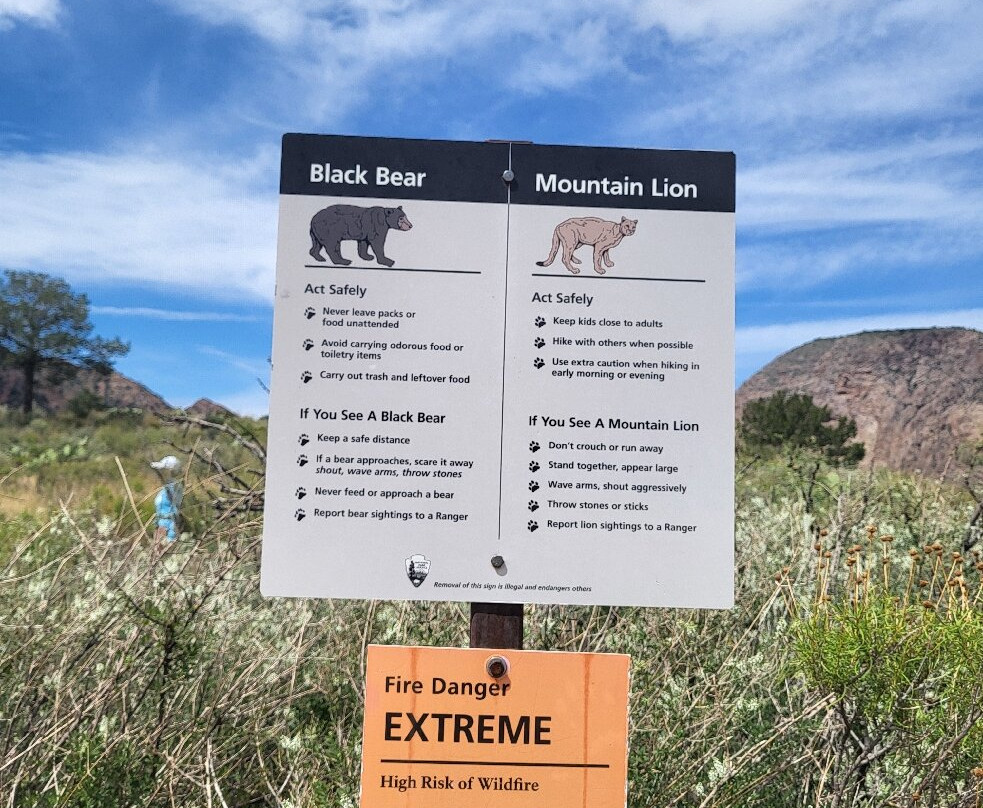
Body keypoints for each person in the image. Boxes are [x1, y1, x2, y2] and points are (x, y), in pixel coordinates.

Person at [151, 455, 184, 541]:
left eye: (163, 470)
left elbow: (175, 506)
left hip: (169, 527)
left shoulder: (174, 487)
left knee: (166, 551)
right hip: (161, 526)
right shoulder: (165, 488)